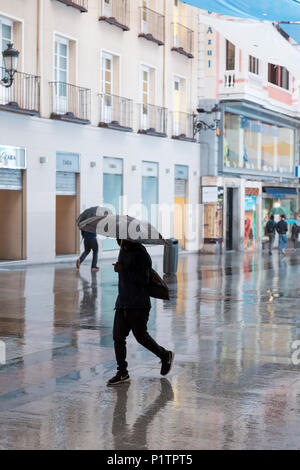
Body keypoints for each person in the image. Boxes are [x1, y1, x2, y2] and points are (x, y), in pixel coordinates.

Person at [107, 239, 174, 386]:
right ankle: (122, 372)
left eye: (120, 237)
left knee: (141, 336)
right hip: (123, 301)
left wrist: (123, 269)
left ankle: (165, 355)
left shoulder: (141, 254)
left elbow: (143, 279)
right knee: (118, 337)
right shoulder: (123, 250)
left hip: (138, 303)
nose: (118, 240)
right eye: (117, 238)